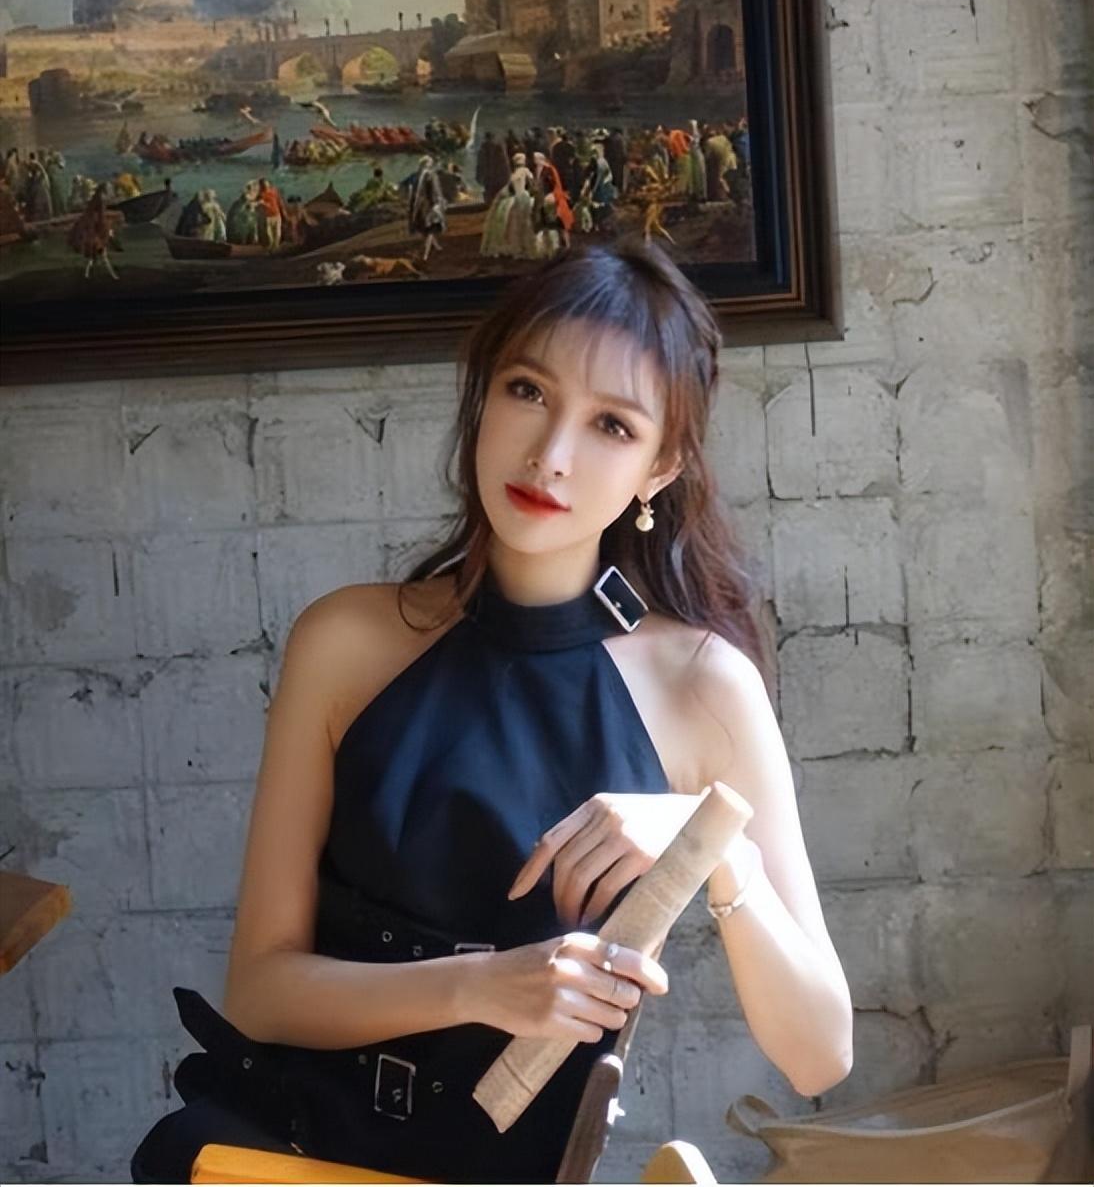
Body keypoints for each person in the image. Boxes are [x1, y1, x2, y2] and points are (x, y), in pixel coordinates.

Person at [129, 239, 852, 1185]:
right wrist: (483, 985)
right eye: (527, 391)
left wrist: (714, 850)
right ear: (483, 395)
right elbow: (261, 991)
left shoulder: (705, 687)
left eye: (612, 425)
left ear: (661, 466)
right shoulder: (344, 642)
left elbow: (819, 1055)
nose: (551, 455)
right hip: (290, 1151)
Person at [480, 150, 536, 260]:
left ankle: (512, 247)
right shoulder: (526, 171)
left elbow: (511, 188)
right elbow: (532, 185)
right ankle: (522, 247)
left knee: (508, 223)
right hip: (523, 198)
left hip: (513, 199)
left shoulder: (513, 175)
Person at [68, 184, 121, 279]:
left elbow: (98, 217)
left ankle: (89, 274)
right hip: (93, 234)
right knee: (100, 256)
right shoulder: (98, 203)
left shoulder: (96, 203)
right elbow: (100, 218)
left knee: (96, 257)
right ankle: (112, 275)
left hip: (94, 232)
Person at [407, 154, 446, 262]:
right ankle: (426, 254)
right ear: (427, 164)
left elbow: (414, 193)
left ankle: (436, 246)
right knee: (431, 229)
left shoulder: (418, 175)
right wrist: (440, 203)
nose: (432, 164)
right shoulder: (430, 174)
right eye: (430, 162)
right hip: (430, 206)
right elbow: (435, 191)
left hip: (421, 206)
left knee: (427, 229)